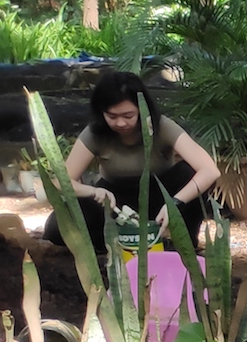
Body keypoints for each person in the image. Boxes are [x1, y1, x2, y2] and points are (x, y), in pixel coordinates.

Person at [45, 71, 220, 251]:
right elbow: (61, 181)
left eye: (128, 116)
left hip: (160, 196)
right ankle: (121, 243)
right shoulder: (94, 133)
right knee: (56, 227)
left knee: (188, 174)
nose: (121, 123)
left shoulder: (162, 126)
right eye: (112, 117)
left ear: (142, 110)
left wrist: (174, 204)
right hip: (115, 201)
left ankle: (180, 243)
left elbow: (210, 170)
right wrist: (92, 191)